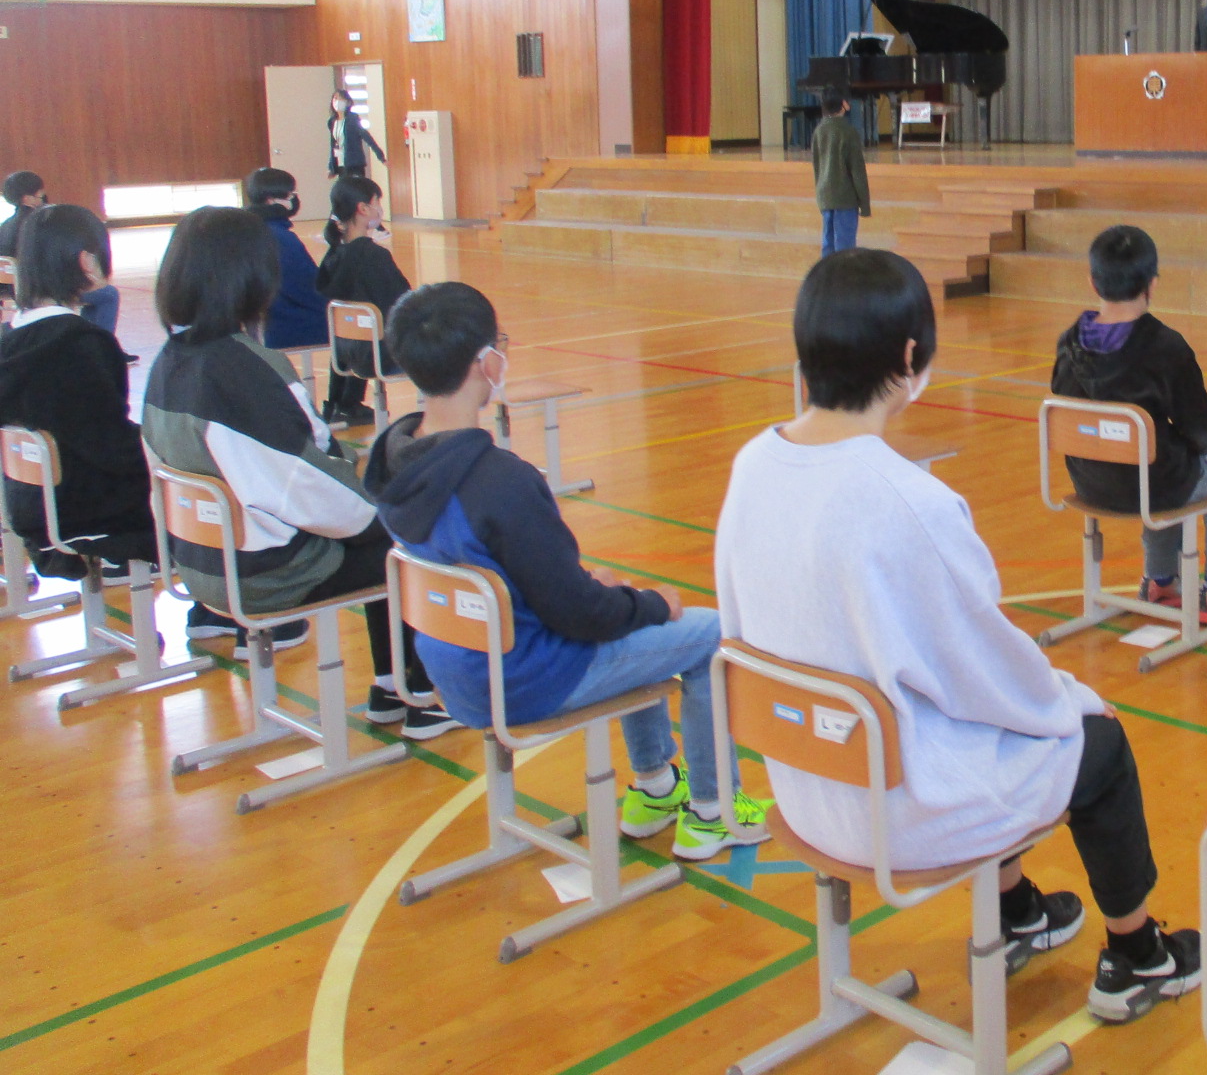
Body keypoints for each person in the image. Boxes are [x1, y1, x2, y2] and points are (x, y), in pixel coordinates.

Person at [716, 249, 1202, 1021]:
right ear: (912, 358)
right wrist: (1072, 700)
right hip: (893, 806)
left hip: (805, 784)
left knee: (979, 725)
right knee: (1096, 743)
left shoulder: (751, 463)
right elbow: (990, 673)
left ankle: (1020, 914)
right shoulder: (909, 501)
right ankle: (1139, 955)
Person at [370, 280, 770, 858]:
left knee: (624, 604)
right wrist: (652, 603)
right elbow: (582, 617)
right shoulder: (500, 481)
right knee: (708, 634)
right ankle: (713, 810)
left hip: (453, 667)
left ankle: (657, 787)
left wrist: (616, 597)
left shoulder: (396, 461)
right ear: (488, 362)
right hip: (525, 679)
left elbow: (516, 582)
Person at [140, 206, 452, 735]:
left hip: (199, 560)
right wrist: (381, 509)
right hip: (264, 573)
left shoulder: (170, 361)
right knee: (402, 534)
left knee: (378, 517)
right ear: (253, 278)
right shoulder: (242, 371)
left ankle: (393, 686)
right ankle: (415, 692)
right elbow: (304, 486)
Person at [1049, 225, 1207, 623]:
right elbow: (1199, 426)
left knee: (1158, 455)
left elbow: (1066, 407)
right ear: (1153, 284)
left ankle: (1159, 580)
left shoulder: (1068, 343)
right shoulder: (1164, 347)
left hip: (1089, 481)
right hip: (1150, 486)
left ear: (1093, 281)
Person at [0, 205, 154, 583]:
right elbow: (110, 446)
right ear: (87, 261)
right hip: (82, 506)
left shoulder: (9, 339)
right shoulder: (82, 344)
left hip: (26, 499)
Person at [316, 175, 409, 427]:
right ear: (363, 208)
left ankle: (341, 405)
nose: (380, 209)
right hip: (376, 356)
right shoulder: (374, 256)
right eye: (377, 202)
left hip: (344, 352)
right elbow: (401, 303)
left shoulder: (333, 255)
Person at [1, 171, 120, 335]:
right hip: (47, 292)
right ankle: (102, 340)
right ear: (27, 198)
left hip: (18, 291)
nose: (43, 199)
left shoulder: (5, 225)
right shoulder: (42, 224)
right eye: (40, 196)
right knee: (108, 294)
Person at [244, 168, 327, 352]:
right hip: (294, 322)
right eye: (290, 194)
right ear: (271, 199)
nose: (294, 199)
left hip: (269, 320)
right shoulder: (280, 238)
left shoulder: (252, 229)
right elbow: (307, 286)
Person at [811, 92, 869, 257]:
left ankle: (827, 280)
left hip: (825, 195)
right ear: (843, 104)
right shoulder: (848, 131)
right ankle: (843, 281)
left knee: (827, 245)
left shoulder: (819, 131)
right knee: (845, 248)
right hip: (845, 198)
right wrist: (864, 204)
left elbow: (817, 166)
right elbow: (857, 170)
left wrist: (820, 195)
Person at [326, 91, 386, 180]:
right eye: (335, 98)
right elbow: (333, 146)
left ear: (347, 102)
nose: (337, 101)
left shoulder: (352, 119)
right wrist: (331, 167)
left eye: (340, 98)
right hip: (340, 165)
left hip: (354, 164)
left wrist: (380, 156)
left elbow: (366, 137)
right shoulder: (332, 122)